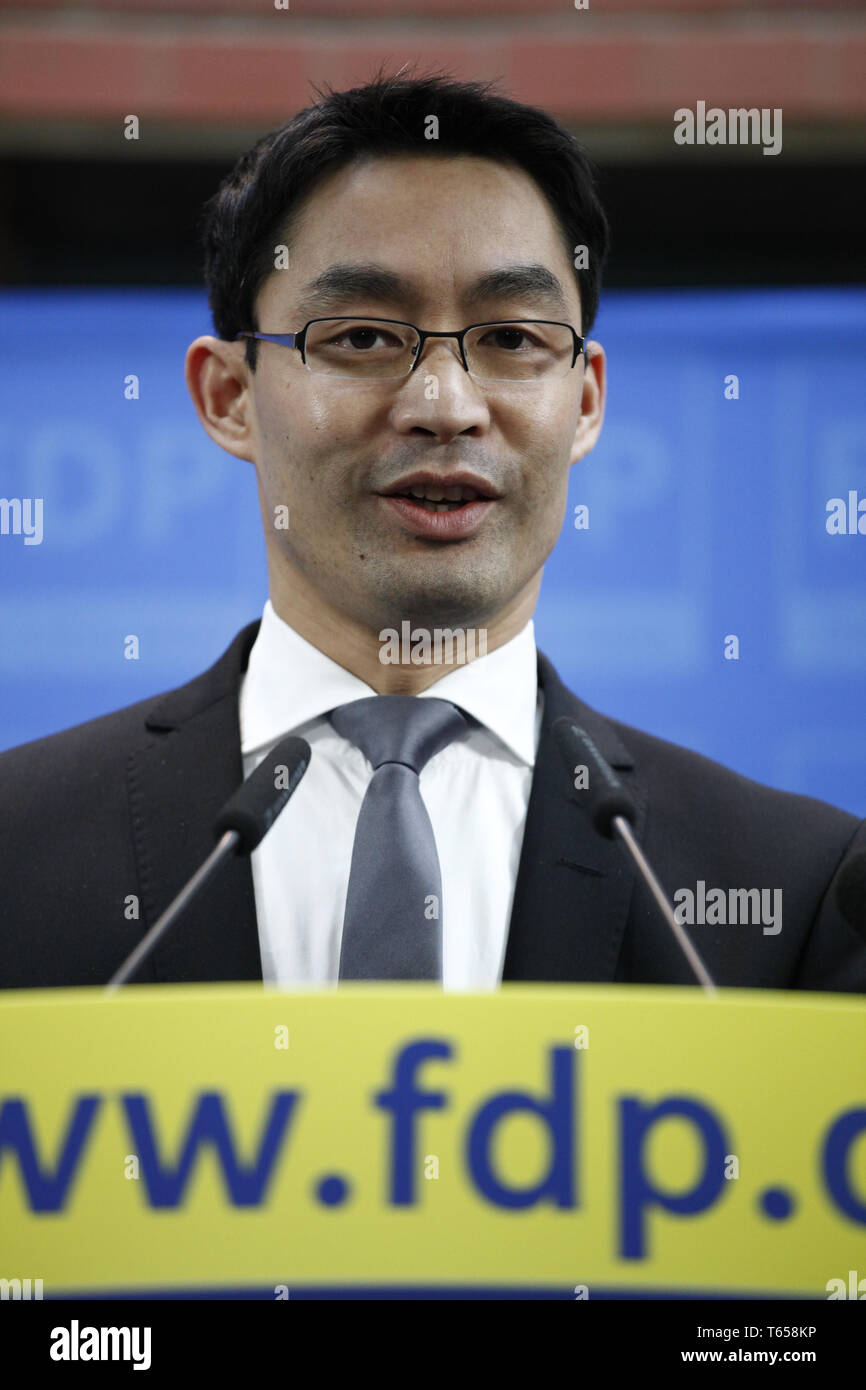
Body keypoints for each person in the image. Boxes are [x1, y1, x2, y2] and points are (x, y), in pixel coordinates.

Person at [0, 73, 863, 992]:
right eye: (364, 337)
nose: (445, 407)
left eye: (513, 338)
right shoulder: (20, 846)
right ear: (230, 397)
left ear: (585, 401)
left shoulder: (795, 886)